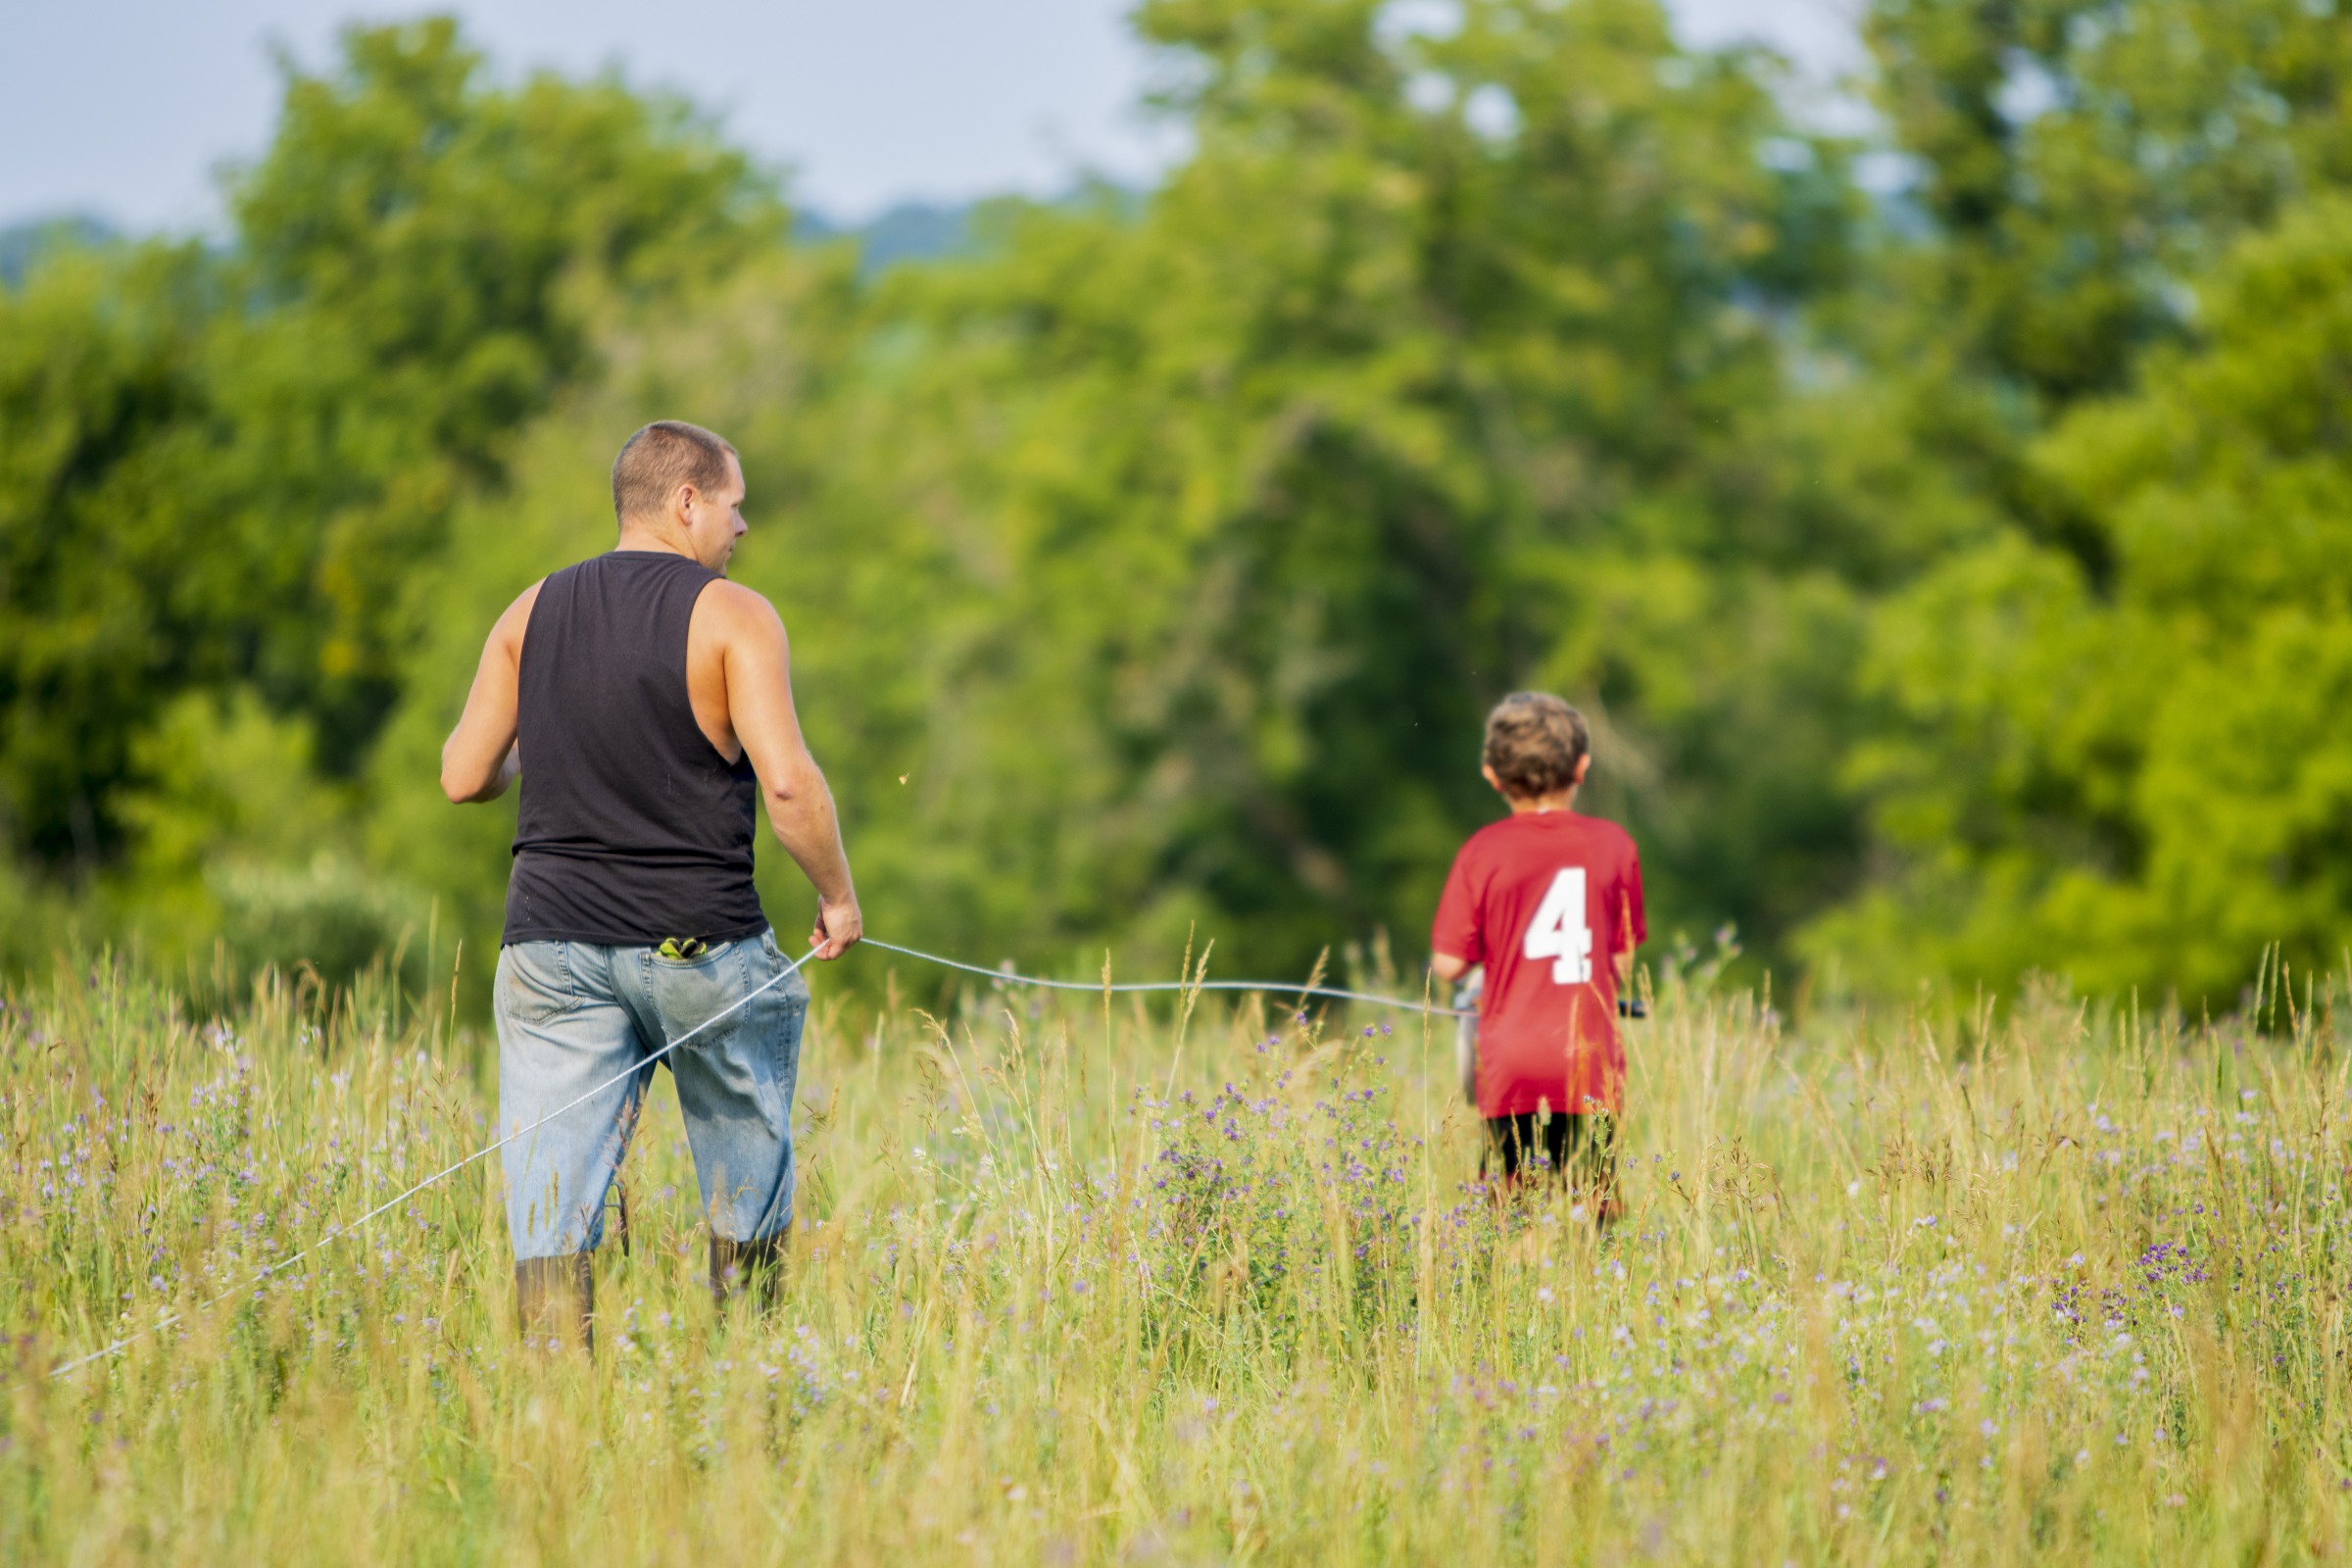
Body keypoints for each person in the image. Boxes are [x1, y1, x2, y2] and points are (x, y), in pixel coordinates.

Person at [440, 419, 861, 1349]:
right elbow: (788, 782)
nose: (741, 528)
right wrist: (837, 897)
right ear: (685, 503)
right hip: (698, 945)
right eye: (733, 505)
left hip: (550, 951)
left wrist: (528, 755)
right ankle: (748, 1383)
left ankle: (556, 1421)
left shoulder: (530, 610)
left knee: (551, 1209)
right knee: (744, 1181)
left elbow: (465, 775)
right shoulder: (733, 615)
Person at [1430, 693, 1644, 1214]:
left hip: (1513, 1061)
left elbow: (1449, 964)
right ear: (1582, 767)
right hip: (1589, 1057)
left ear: (1492, 775)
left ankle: (1518, 1280)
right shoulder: (1614, 845)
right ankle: (1592, 1285)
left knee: (1511, 1208)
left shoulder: (1482, 850)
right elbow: (1620, 959)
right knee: (1596, 1207)